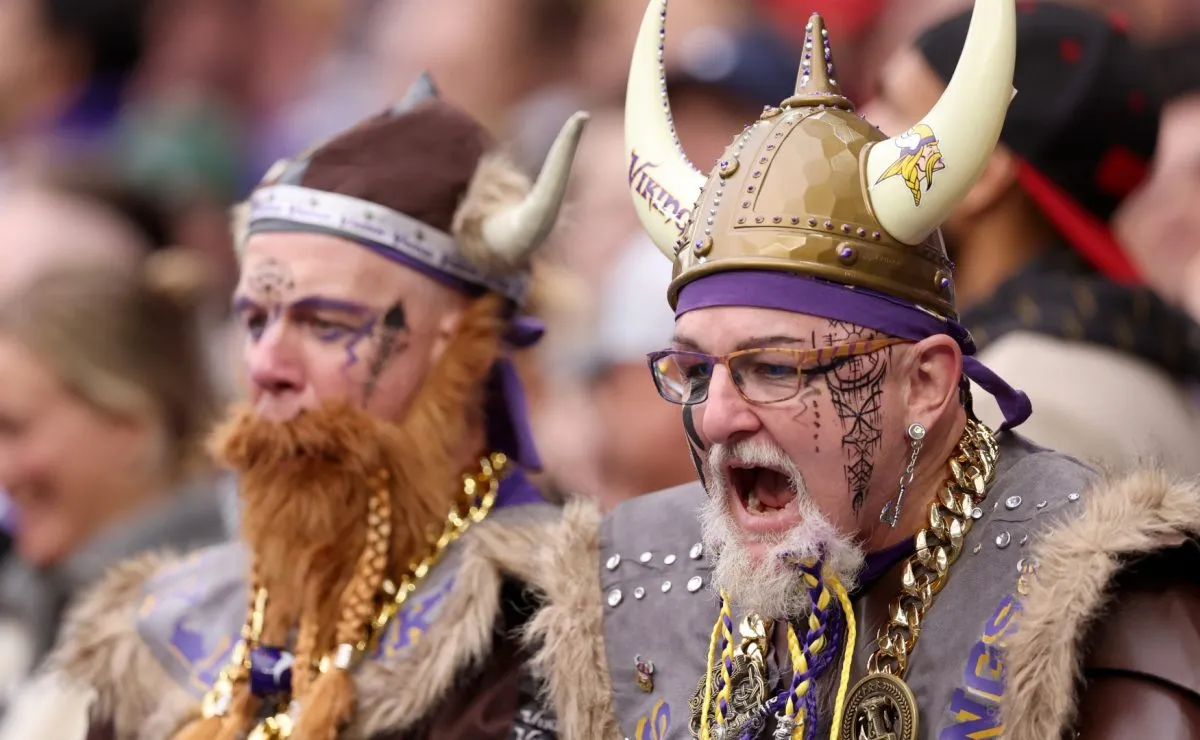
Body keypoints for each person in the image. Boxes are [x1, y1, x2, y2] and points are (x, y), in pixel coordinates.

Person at [528, 0, 1200, 737]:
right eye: (694, 370)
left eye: (774, 368)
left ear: (926, 383)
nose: (716, 416)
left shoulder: (1096, 589)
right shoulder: (622, 579)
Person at [40, 75, 588, 739]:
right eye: (254, 320)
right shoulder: (163, 629)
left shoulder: (556, 631)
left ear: (459, 350)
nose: (267, 367)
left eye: (326, 324)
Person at [862, 2, 1200, 473]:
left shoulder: (1005, 402)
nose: (858, 128)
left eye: (893, 109)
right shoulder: (1126, 346)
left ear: (981, 174)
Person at [0, 254, 227, 734]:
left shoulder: (209, 639)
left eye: (14, 429)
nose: (4, 469)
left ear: (132, 428)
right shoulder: (29, 609)